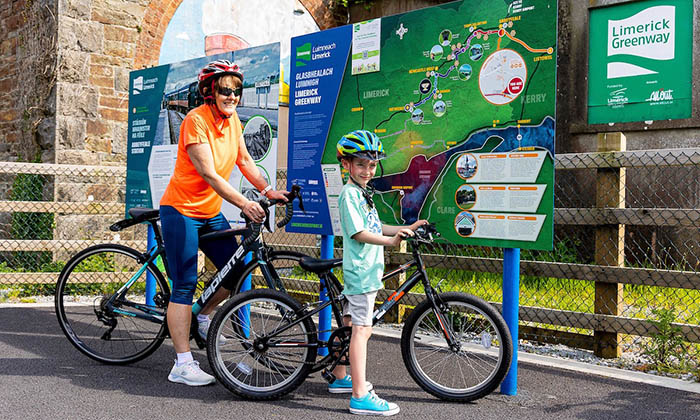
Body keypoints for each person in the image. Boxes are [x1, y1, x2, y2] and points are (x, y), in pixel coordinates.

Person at [159, 59, 287, 386]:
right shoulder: (195, 121)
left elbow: (245, 161)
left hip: (209, 212)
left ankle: (202, 315)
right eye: (224, 90)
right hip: (181, 210)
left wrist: (268, 190)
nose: (231, 96)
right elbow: (210, 174)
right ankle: (182, 364)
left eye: (236, 90)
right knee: (185, 284)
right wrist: (245, 203)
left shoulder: (232, 123)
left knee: (234, 269)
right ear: (210, 91)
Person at [331, 130, 427, 415]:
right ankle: (360, 395)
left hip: (365, 271)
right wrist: (391, 242)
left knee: (349, 325)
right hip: (361, 273)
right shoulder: (349, 195)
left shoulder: (363, 193)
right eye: (360, 164)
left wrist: (404, 229)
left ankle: (340, 378)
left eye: (371, 165)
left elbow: (375, 226)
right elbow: (359, 233)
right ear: (346, 164)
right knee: (362, 330)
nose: (367, 170)